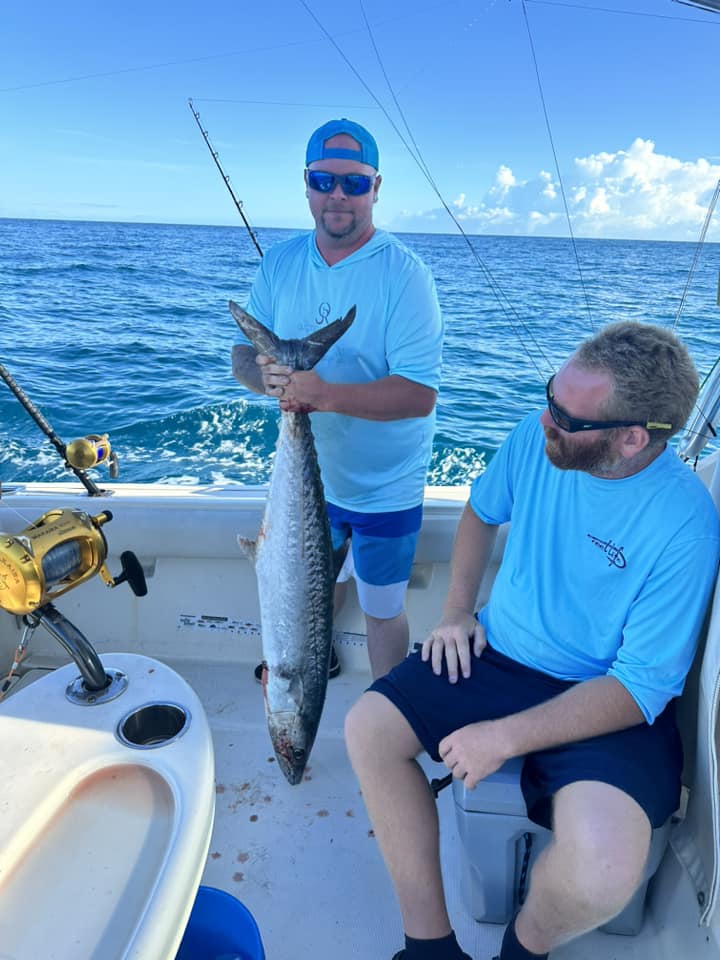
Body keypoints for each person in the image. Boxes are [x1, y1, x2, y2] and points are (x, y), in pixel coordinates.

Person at [345, 321, 720, 960]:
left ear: (633, 438)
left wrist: (506, 736)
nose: (547, 421)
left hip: (606, 695)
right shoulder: (534, 434)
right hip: (500, 651)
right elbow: (481, 512)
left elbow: (640, 687)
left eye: (568, 419)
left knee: (604, 868)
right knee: (368, 729)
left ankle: (524, 950)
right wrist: (457, 611)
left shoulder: (686, 521)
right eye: (551, 397)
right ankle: (429, 947)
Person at [232, 118, 444, 681]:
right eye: (324, 180)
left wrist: (322, 393)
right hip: (309, 481)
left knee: (382, 610)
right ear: (306, 184)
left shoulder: (406, 277)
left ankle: (388, 710)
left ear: (377, 188)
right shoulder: (280, 263)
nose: (338, 196)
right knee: (312, 587)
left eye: (354, 183)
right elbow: (240, 357)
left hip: (385, 485)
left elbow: (419, 395)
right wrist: (268, 378)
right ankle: (313, 656)